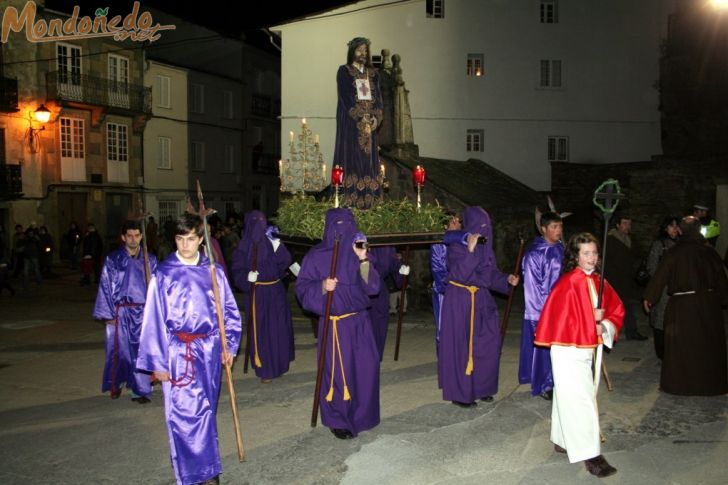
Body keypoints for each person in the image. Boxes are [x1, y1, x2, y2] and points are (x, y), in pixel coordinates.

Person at [137, 213, 242, 485]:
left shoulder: (213, 272)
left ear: (201, 240)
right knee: (185, 414)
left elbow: (229, 312)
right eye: (180, 239)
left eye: (191, 239)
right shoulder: (163, 274)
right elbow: (153, 320)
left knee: (206, 410)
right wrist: (158, 363)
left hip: (208, 350)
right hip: (177, 353)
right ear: (175, 240)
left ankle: (206, 467)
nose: (185, 246)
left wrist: (229, 345)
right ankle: (198, 474)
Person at [535, 232, 624, 478]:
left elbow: (616, 309)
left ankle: (563, 439)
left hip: (589, 348)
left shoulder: (599, 280)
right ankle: (591, 454)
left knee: (575, 395)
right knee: (581, 398)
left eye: (594, 252)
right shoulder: (568, 283)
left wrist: (604, 325)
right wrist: (589, 323)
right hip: (568, 350)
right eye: (586, 253)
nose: (592, 258)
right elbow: (563, 320)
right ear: (575, 256)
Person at [295, 208, 381, 439]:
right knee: (337, 374)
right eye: (338, 226)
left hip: (360, 322)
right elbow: (302, 289)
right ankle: (338, 419)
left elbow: (373, 288)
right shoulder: (316, 256)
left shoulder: (359, 253)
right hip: (334, 325)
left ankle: (364, 415)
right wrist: (322, 286)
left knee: (365, 369)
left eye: (349, 225)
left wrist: (363, 258)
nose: (344, 231)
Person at [438, 206, 519, 407]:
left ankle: (482, 387)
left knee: (488, 342)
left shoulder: (486, 248)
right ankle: (460, 393)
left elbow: (489, 274)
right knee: (462, 346)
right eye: (480, 226)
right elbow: (460, 273)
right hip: (460, 298)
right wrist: (471, 250)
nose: (484, 231)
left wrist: (506, 279)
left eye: (487, 226)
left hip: (481, 297)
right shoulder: (457, 244)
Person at [643, 216, 728, 396]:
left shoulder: (675, 252)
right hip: (708, 307)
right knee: (707, 345)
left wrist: (650, 297)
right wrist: (722, 299)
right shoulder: (710, 253)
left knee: (682, 346)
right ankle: (709, 384)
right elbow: (722, 279)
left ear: (680, 231)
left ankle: (681, 385)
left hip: (683, 308)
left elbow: (661, 276)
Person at [93, 220, 158, 402]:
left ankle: (140, 389)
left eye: (137, 235)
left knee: (141, 351)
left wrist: (156, 312)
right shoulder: (113, 259)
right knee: (119, 351)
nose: (133, 239)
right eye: (129, 235)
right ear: (123, 237)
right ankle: (117, 381)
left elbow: (156, 287)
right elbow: (105, 285)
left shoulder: (150, 259)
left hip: (143, 313)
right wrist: (108, 314)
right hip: (119, 312)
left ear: (141, 236)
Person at [231, 211, 295, 382]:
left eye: (262, 221)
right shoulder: (242, 248)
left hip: (275, 292)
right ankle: (265, 369)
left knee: (278, 328)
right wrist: (246, 278)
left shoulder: (271, 242)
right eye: (254, 222)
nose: (258, 226)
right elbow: (237, 271)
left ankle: (280, 364)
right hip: (257, 294)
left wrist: (278, 247)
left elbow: (286, 262)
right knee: (262, 331)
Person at [333, 37, 384, 209]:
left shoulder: (374, 74)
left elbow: (378, 99)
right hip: (351, 126)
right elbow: (346, 96)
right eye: (359, 50)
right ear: (352, 52)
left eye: (365, 50)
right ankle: (350, 203)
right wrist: (361, 116)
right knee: (351, 159)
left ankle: (371, 203)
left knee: (370, 163)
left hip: (371, 127)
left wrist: (376, 117)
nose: (363, 53)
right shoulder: (344, 72)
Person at [519, 212, 564, 401]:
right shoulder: (534, 254)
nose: (558, 231)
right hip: (541, 309)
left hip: (562, 306)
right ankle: (544, 384)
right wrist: (542, 312)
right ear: (543, 229)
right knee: (543, 348)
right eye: (554, 227)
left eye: (560, 226)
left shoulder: (562, 249)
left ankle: (558, 380)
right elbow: (531, 286)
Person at [602, 215, 647, 340]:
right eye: (625, 223)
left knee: (627, 307)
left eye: (629, 223)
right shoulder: (611, 240)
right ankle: (607, 333)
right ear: (618, 225)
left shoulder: (630, 239)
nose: (628, 226)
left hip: (626, 280)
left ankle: (631, 332)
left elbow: (638, 254)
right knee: (612, 308)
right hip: (615, 280)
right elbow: (609, 261)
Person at [644, 216, 680, 359]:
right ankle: (662, 352)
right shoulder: (660, 244)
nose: (674, 229)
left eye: (676, 226)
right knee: (660, 321)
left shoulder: (681, 244)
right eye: (671, 226)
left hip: (677, 289)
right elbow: (651, 267)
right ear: (666, 228)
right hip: (663, 289)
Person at [430, 212, 462, 355]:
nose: (458, 224)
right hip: (445, 291)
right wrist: (447, 289)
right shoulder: (439, 242)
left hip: (459, 289)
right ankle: (444, 359)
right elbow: (438, 268)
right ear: (445, 225)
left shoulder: (462, 239)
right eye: (453, 221)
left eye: (458, 221)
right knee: (444, 328)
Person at [368, 246, 409, 360]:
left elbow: (394, 265)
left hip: (378, 292)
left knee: (379, 326)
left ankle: (375, 357)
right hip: (358, 291)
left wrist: (402, 269)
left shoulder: (386, 247)